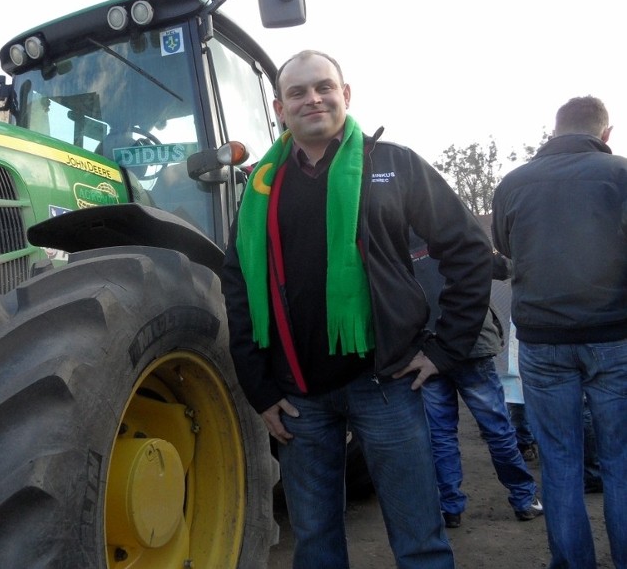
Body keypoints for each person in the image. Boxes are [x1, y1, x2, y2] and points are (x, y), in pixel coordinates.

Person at [221, 50, 493, 568]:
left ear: (346, 95)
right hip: (298, 397)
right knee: (317, 545)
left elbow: (468, 249)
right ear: (279, 108)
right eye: (297, 93)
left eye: (324, 87)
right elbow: (237, 283)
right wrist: (259, 388)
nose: (312, 99)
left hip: (386, 384)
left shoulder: (393, 164)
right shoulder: (260, 185)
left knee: (420, 541)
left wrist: (446, 347)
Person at [491, 95, 627, 569]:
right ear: (604, 134)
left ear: (554, 130)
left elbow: (506, 250)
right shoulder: (621, 175)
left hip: (543, 340)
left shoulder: (513, 182)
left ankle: (571, 564)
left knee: (561, 462)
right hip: (615, 336)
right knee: (620, 461)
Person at [411, 236, 542, 528]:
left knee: (441, 434)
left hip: (427, 349)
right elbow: (504, 268)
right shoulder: (452, 231)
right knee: (497, 429)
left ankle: (450, 507)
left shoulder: (393, 241)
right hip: (471, 344)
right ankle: (523, 499)